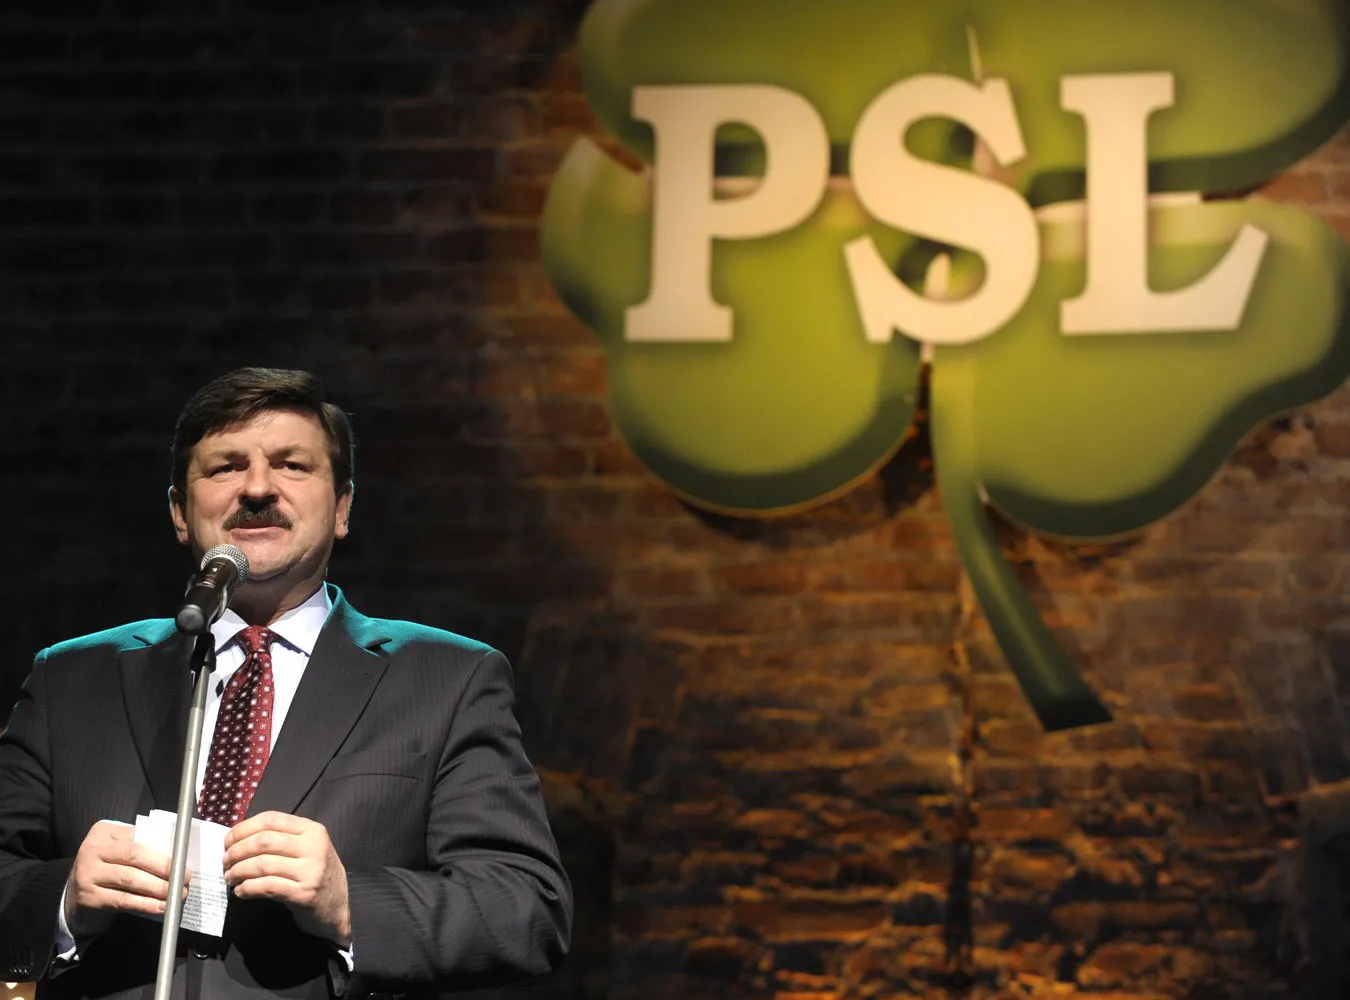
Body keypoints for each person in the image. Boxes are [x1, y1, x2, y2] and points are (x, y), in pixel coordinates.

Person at [0, 367, 571, 999]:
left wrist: (350, 902)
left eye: (292, 465)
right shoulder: (70, 679)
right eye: (225, 468)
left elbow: (527, 909)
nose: (257, 488)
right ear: (180, 513)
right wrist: (61, 898)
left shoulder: (448, 679)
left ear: (342, 507)